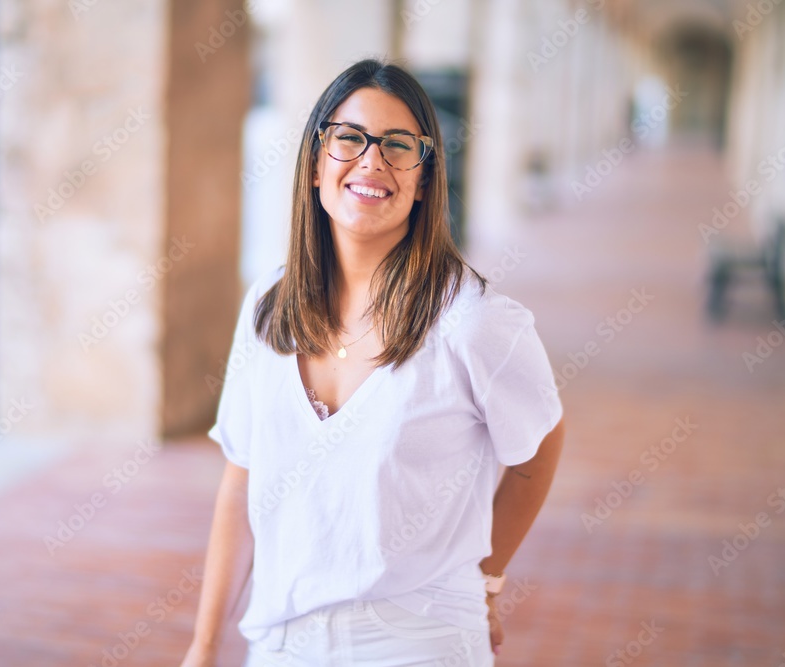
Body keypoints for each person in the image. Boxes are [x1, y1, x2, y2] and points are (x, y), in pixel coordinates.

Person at [181, 58, 565, 667]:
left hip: (420, 642)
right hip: (281, 644)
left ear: (423, 177)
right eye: (349, 138)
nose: (372, 161)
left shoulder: (476, 321)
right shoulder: (267, 305)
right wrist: (203, 648)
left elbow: (538, 449)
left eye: (398, 146)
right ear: (314, 164)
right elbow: (240, 483)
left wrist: (484, 578)